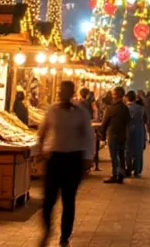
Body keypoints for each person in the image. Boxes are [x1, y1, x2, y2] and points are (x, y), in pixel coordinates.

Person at [37, 80, 95, 247]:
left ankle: (64, 236)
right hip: (54, 158)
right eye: (61, 90)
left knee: (68, 200)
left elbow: (89, 136)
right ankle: (47, 230)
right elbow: (43, 131)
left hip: (73, 160)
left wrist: (87, 158)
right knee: (48, 200)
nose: (62, 93)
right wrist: (40, 150)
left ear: (72, 93)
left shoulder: (81, 112)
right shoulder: (52, 110)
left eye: (66, 91)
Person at [100, 86, 131, 184]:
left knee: (114, 155)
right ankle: (121, 174)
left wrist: (102, 134)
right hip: (122, 134)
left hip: (113, 134)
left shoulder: (110, 108)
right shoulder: (125, 108)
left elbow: (104, 123)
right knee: (121, 155)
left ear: (115, 95)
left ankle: (115, 175)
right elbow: (128, 121)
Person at [125, 90, 146, 178]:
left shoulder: (125, 108)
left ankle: (128, 168)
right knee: (138, 151)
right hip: (139, 130)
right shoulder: (140, 108)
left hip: (128, 130)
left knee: (128, 150)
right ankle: (137, 170)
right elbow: (145, 119)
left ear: (127, 98)